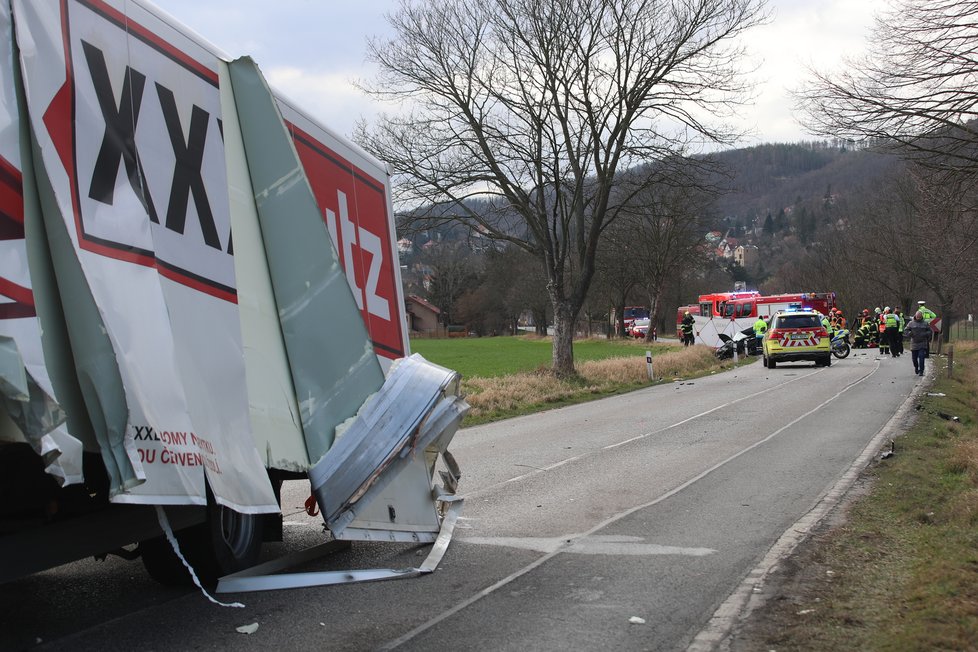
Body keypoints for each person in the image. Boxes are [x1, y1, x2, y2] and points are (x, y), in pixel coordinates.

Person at [904, 311, 932, 376]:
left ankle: (921, 370)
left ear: (921, 316)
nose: (918, 318)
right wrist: (909, 334)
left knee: (922, 357)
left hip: (922, 343)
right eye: (917, 317)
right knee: (914, 359)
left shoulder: (925, 323)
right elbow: (906, 330)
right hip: (914, 343)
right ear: (915, 316)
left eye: (920, 317)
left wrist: (925, 334)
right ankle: (916, 367)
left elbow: (930, 331)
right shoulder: (911, 323)